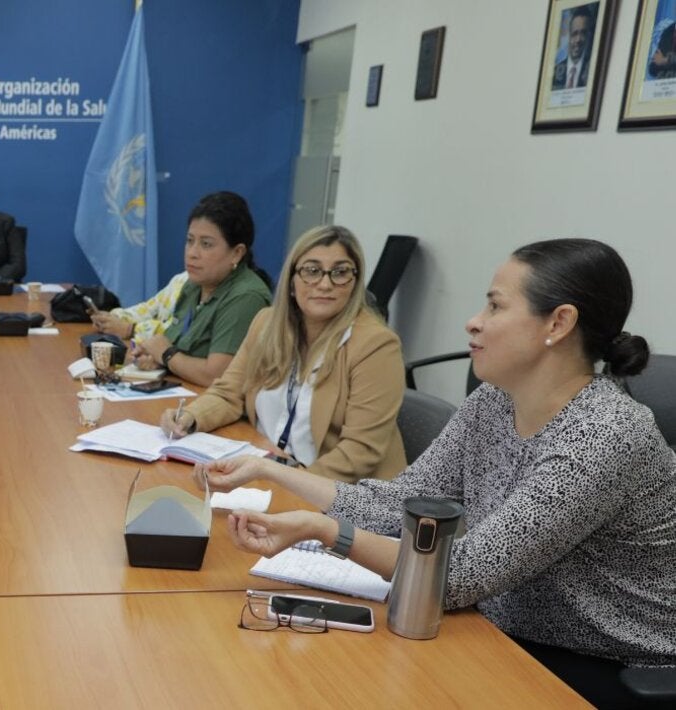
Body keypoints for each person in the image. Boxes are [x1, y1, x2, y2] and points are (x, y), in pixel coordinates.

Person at [204, 238, 675, 708]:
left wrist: (324, 530)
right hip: (497, 626)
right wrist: (271, 472)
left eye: (495, 306)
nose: (474, 320)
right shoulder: (494, 400)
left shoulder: (605, 434)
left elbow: (455, 578)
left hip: (602, 666)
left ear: (559, 323)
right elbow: (398, 506)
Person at [161, 225, 406, 483]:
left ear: (354, 283)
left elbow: (359, 453)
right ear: (291, 282)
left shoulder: (376, 345)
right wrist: (190, 416)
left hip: (339, 494)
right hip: (269, 466)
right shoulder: (266, 324)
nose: (325, 283)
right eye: (312, 271)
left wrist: (287, 483)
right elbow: (229, 392)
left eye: (340, 272)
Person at [90, 191, 272, 387]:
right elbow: (172, 345)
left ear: (237, 253)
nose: (192, 253)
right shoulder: (193, 285)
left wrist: (166, 356)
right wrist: (152, 355)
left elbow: (216, 377)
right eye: (190, 240)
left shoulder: (245, 297)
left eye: (206, 244)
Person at [552, 6, 595, 90]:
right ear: (569, 37)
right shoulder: (555, 72)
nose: (578, 40)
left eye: (583, 33)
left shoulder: (593, 71)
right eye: (574, 34)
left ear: (590, 36)